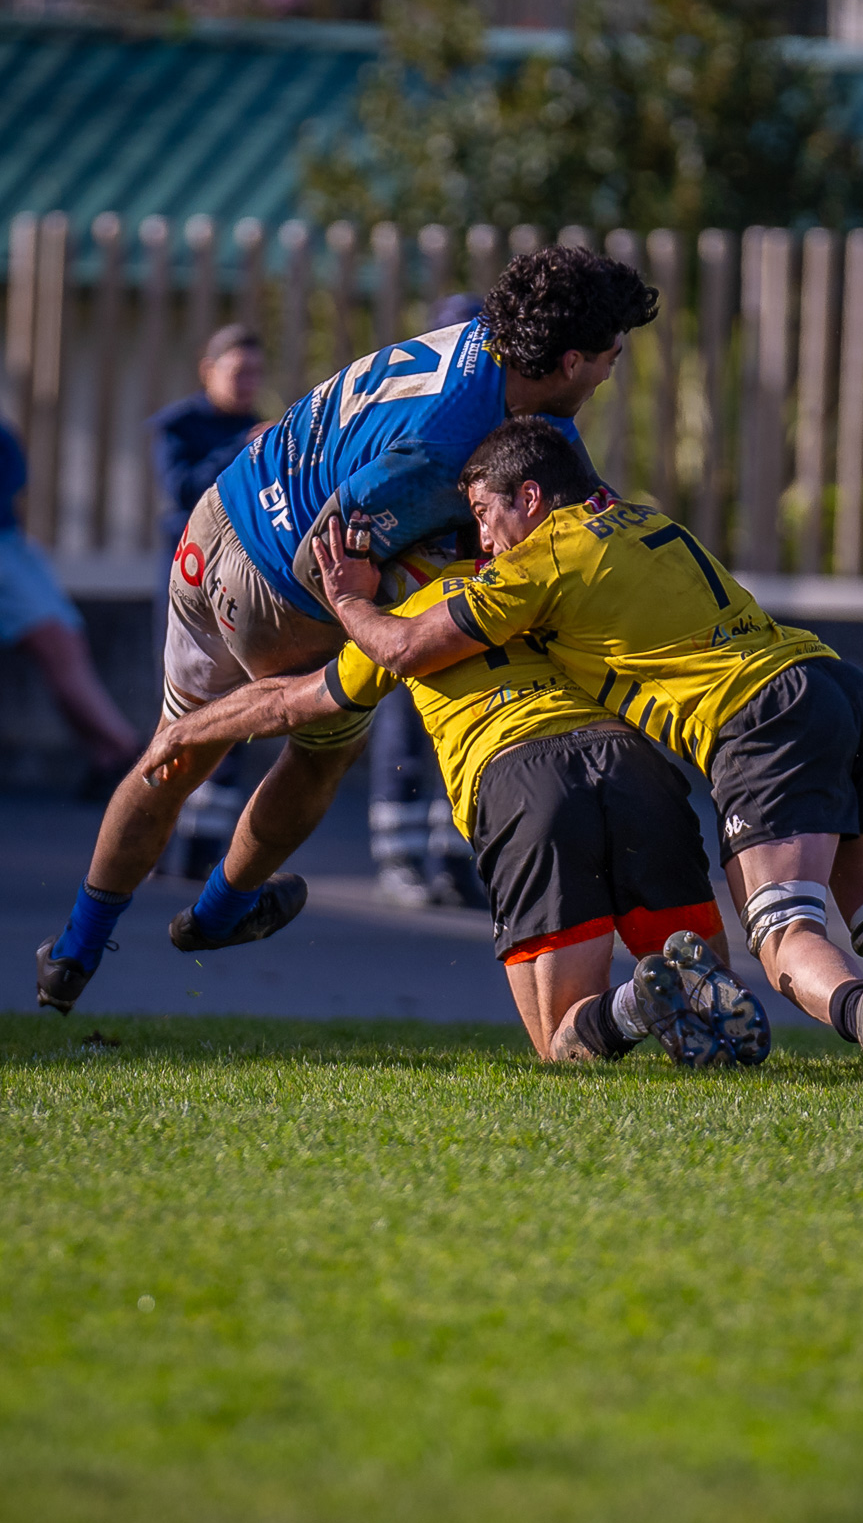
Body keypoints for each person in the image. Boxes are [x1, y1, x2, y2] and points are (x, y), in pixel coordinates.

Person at [303, 417, 863, 1077]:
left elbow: (407, 648)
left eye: (486, 516)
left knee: (783, 936)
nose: (484, 543)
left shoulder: (541, 562)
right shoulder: (641, 519)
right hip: (836, 686)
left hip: (760, 717)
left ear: (530, 498)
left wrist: (347, 600)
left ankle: (862, 1014)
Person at [37, 246, 655, 1014]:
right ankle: (221, 911)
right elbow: (325, 557)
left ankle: (75, 950)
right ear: (569, 360)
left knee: (176, 746)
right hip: (279, 582)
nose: (610, 373)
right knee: (322, 741)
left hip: (216, 521)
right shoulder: (447, 442)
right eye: (609, 357)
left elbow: (569, 482)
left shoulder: (491, 346)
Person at [140, 526, 770, 1070]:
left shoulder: (406, 620)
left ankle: (633, 1004)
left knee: (561, 1040)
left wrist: (185, 729)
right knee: (705, 989)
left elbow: (288, 703)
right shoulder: (542, 580)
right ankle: (675, 998)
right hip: (634, 767)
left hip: (526, 782)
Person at [365, 295, 487, 911]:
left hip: (465, 592)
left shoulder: (497, 410)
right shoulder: (408, 404)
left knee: (461, 726)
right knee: (404, 732)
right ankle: (400, 857)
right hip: (410, 590)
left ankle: (455, 865)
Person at [151, 324, 269, 879]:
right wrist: (240, 449)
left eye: (255, 374)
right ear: (208, 370)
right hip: (186, 580)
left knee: (232, 710)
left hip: (239, 581)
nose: (247, 384)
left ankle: (203, 851)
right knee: (178, 707)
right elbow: (180, 488)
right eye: (237, 372)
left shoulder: (263, 427)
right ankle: (151, 838)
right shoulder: (179, 425)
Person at [0, 419, 139, 793]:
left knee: (64, 642)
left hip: (10, 544)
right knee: (57, 643)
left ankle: (114, 753)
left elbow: (13, 481)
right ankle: (127, 752)